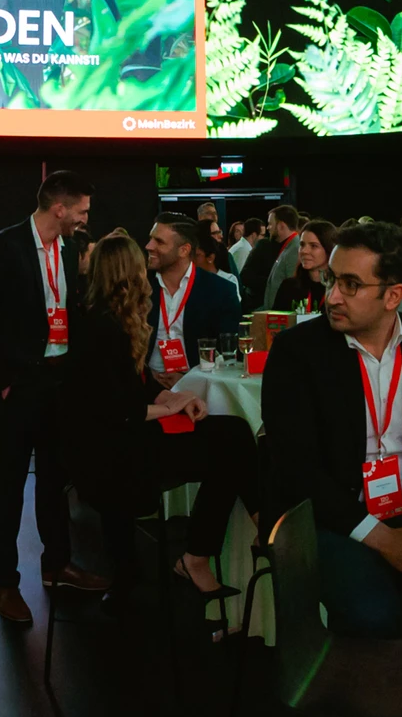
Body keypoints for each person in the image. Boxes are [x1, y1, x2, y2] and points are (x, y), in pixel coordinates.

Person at [260, 220, 402, 639]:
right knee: (374, 614)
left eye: (350, 284)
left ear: (393, 295)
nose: (332, 296)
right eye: (332, 279)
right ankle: (369, 678)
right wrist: (384, 540)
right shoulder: (297, 352)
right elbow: (297, 470)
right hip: (328, 517)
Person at [61, 233, 262, 625]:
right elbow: (118, 410)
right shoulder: (102, 329)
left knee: (232, 438)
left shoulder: (107, 319)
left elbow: (135, 386)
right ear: (129, 274)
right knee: (234, 442)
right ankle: (230, 541)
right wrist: (168, 406)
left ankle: (213, 547)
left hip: (117, 444)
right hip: (114, 456)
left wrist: (176, 398)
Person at [0, 172, 111, 622]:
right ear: (59, 209)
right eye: (81, 210)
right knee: (10, 480)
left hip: (59, 379)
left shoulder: (69, 248)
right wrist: (1, 378)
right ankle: (5, 583)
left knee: (54, 477)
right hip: (19, 383)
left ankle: (57, 565)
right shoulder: (4, 246)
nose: (85, 218)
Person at [140, 217, 241, 384]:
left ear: (184, 250)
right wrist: (149, 380)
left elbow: (229, 354)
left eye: (159, 241)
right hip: (145, 386)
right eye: (151, 239)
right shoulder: (138, 288)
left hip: (200, 386)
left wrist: (190, 379)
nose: (149, 246)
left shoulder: (220, 291)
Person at [272, 219, 339, 313]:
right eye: (302, 244)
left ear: (329, 249)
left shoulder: (338, 290)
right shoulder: (289, 287)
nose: (304, 251)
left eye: (313, 246)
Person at [255, 204, 306, 311]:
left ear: (281, 226)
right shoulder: (288, 247)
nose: (268, 228)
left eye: (270, 224)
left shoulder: (294, 249)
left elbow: (293, 291)